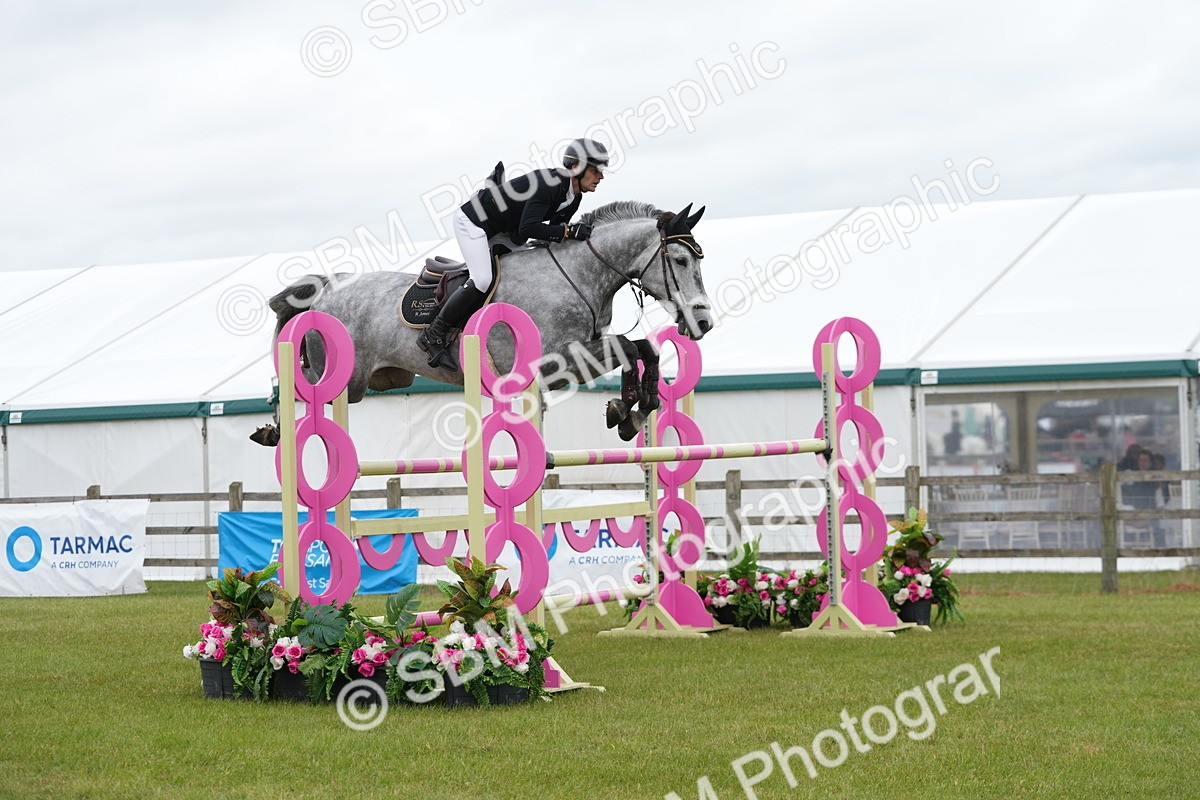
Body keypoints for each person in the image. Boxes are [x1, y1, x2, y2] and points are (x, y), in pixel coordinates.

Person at [417, 138, 609, 371]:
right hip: (475, 222)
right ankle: (433, 333)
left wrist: (572, 235)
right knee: (482, 279)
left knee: (525, 274)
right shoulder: (549, 184)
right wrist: (568, 231)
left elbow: (552, 236)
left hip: (506, 231)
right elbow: (531, 228)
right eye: (595, 170)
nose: (600, 177)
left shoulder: (574, 198)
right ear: (576, 168)